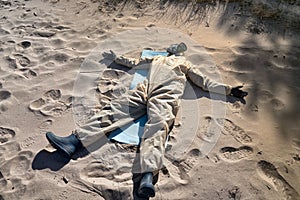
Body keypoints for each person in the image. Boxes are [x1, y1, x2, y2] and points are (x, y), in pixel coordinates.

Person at [45, 43, 248, 198]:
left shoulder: (185, 64)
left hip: (166, 95)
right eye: (174, 47)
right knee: (114, 111)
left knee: (157, 129)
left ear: (179, 53)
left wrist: (228, 89)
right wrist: (115, 58)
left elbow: (204, 82)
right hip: (143, 90)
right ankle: (74, 142)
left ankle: (147, 176)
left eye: (177, 48)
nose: (174, 48)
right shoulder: (156, 59)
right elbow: (133, 63)